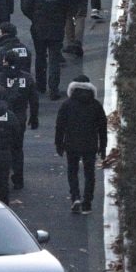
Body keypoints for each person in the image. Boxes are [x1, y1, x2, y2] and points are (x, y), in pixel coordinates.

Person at [55, 75, 108, 214]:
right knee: (89, 173)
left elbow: (60, 126)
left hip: (71, 143)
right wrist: (103, 146)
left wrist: (59, 144)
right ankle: (87, 203)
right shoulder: (96, 105)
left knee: (72, 171)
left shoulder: (67, 104)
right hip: (90, 144)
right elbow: (102, 127)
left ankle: (75, 197)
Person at [20, 0, 72, 100]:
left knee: (40, 56)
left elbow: (25, 7)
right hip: (57, 27)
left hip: (39, 27)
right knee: (54, 58)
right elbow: (68, 6)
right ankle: (54, 89)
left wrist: (35, 18)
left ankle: (41, 86)